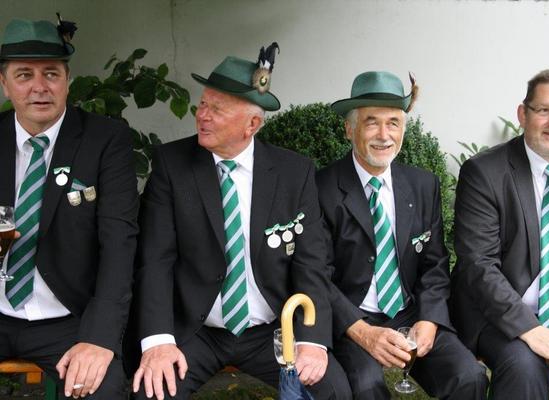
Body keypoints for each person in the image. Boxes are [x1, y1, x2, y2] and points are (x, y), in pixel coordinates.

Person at [130, 48, 351, 400]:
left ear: (252, 125)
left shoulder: (294, 173)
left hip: (272, 330)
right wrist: (158, 340)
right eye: (203, 104)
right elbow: (156, 259)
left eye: (217, 110)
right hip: (196, 329)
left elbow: (311, 262)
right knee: (152, 394)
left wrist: (312, 340)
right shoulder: (172, 166)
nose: (202, 116)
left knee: (333, 391)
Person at [317, 70, 488, 399]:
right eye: (372, 122)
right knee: (365, 388)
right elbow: (316, 275)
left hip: (410, 312)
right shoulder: (321, 188)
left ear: (403, 129)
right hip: (352, 317)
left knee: (469, 377)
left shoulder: (423, 184)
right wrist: (362, 332)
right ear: (350, 129)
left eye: (393, 123)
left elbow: (435, 264)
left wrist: (430, 318)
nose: (384, 135)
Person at [0, 17, 138, 399]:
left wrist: (99, 338)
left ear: (67, 80)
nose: (39, 87)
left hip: (68, 319)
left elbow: (119, 243)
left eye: (51, 74)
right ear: (5, 83)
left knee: (101, 390)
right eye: (24, 75)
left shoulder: (105, 140)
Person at [451, 69, 549, 399]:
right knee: (525, 368)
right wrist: (531, 329)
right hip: (501, 314)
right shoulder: (484, 173)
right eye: (544, 110)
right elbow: (478, 265)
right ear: (523, 114)